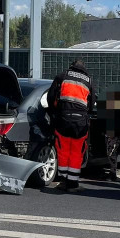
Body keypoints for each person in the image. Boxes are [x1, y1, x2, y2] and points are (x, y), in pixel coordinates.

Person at [48, 59, 94, 192]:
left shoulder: (62, 76)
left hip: (63, 119)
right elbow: (91, 104)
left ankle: (63, 182)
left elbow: (51, 97)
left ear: (71, 67)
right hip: (80, 122)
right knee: (76, 152)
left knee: (62, 150)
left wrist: (54, 112)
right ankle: (73, 184)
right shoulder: (88, 80)